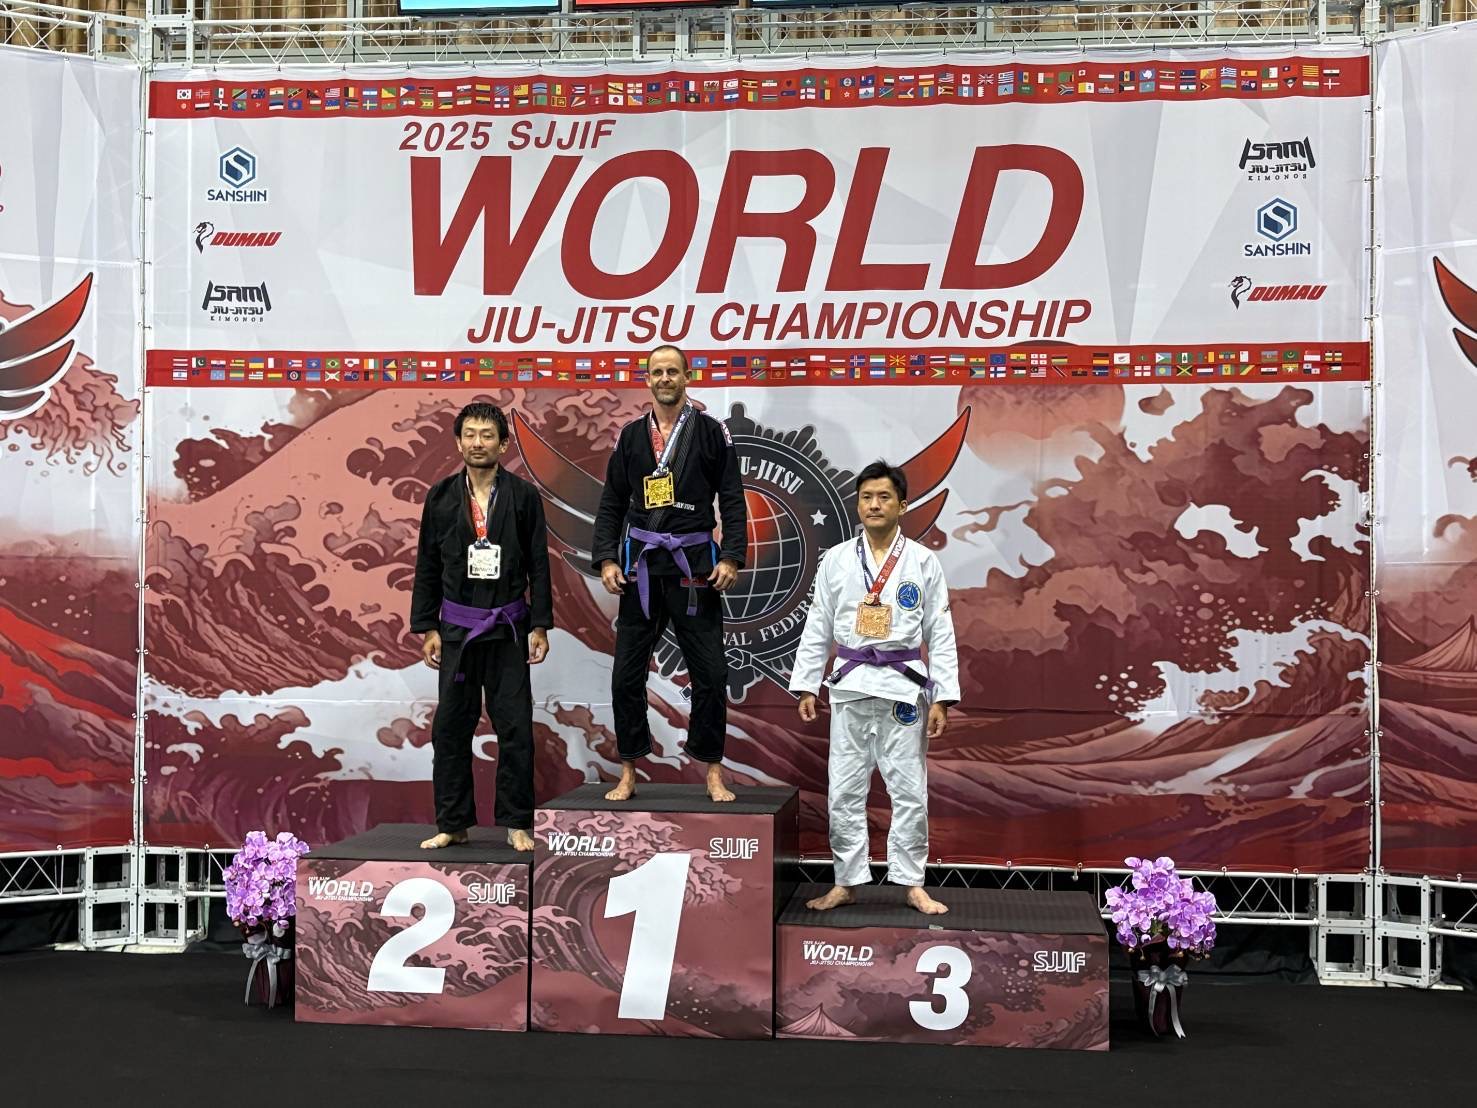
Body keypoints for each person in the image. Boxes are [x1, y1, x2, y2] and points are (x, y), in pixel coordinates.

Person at [789, 460, 960, 914]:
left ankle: (912, 882)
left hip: (904, 688)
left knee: (909, 791)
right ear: (857, 504)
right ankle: (846, 880)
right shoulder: (837, 559)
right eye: (866, 497)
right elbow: (818, 623)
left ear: (902, 505)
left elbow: (940, 631)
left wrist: (942, 696)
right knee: (844, 790)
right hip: (850, 686)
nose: (874, 505)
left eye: (884, 497)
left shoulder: (922, 561)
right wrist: (807, 684)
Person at [592, 344, 747, 803]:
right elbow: (611, 503)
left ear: (686, 377)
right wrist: (607, 559)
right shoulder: (631, 437)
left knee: (711, 674)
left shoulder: (712, 432)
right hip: (641, 568)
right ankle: (628, 770)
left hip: (694, 566)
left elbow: (732, 499)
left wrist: (730, 557)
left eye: (672, 371)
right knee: (626, 676)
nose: (665, 378)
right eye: (657, 371)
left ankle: (713, 771)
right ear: (647, 379)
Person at [410, 401, 553, 852]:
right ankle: (453, 823)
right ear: (458, 442)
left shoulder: (523, 496)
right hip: (457, 632)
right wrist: (427, 627)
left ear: (503, 444)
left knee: (515, 728)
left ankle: (517, 822)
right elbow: (427, 565)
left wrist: (540, 625)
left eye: (487, 435)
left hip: (508, 628)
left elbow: (538, 564)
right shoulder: (440, 497)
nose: (477, 442)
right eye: (469, 434)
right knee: (451, 729)